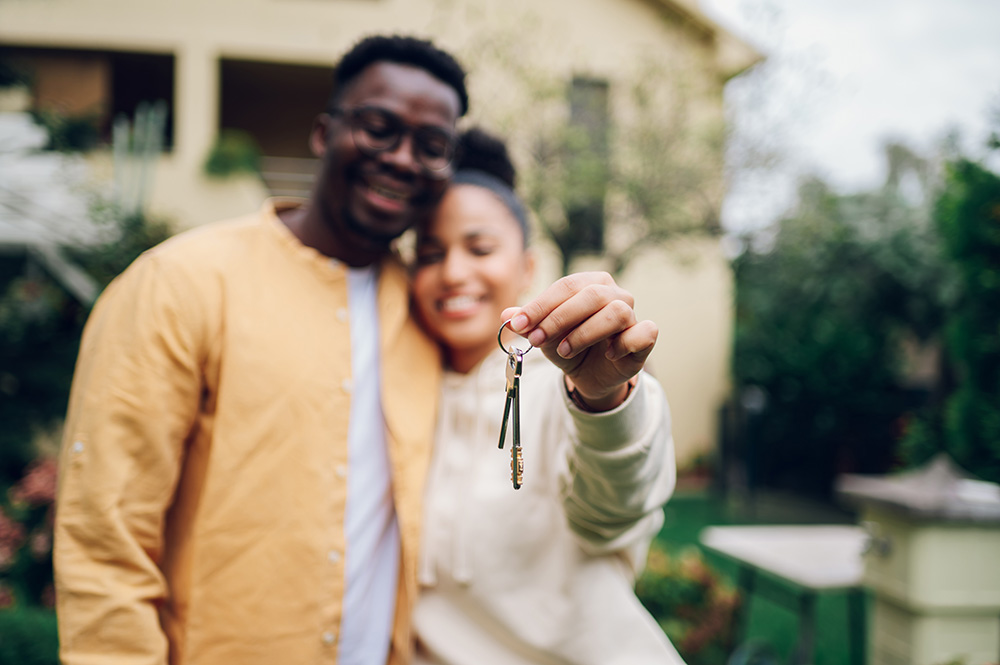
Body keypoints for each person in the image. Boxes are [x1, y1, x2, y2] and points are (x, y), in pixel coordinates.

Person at [53, 35, 468, 665]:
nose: (403, 159)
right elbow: (105, 535)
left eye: (431, 147)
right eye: (379, 128)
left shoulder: (426, 311)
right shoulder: (181, 283)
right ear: (324, 133)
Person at [409, 128, 685, 664]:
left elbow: (613, 512)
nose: (453, 272)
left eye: (480, 247)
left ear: (527, 267)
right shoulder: (399, 395)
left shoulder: (560, 382)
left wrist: (603, 399)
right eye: (429, 252)